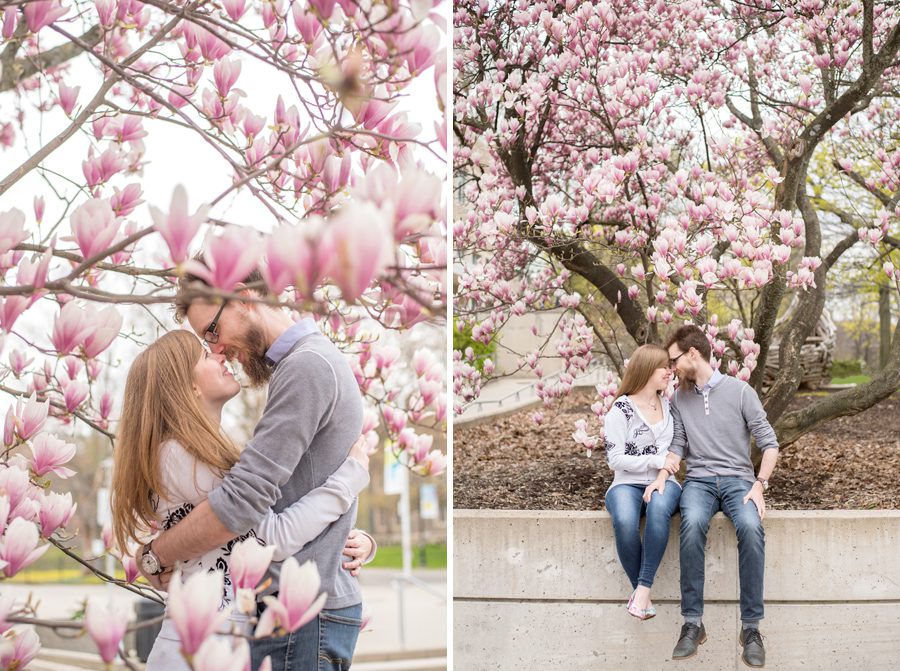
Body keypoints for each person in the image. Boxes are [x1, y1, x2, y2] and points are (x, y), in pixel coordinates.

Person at [133, 266, 368, 671]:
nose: (218, 348)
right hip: (278, 614)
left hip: (301, 611)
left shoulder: (305, 366)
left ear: (242, 298)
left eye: (212, 331)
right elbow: (271, 501)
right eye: (207, 343)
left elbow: (244, 508)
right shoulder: (299, 367)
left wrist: (155, 554)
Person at [658, 325, 778, 667]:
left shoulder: (740, 392)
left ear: (693, 354)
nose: (672, 368)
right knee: (692, 522)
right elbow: (678, 444)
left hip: (740, 481)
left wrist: (760, 484)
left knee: (752, 529)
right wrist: (663, 474)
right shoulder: (679, 397)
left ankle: (751, 629)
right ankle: (692, 623)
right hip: (698, 481)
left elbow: (770, 443)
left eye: (674, 359)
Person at [603, 344, 685, 620]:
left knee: (658, 508)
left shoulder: (668, 405)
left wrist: (663, 468)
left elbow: (675, 448)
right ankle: (642, 595)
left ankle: (642, 590)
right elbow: (615, 459)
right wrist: (655, 460)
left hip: (664, 482)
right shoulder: (621, 410)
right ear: (647, 368)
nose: (670, 371)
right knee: (625, 520)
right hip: (626, 483)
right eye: (664, 366)